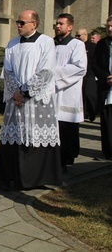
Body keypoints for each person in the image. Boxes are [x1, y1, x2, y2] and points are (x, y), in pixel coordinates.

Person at [0, 10, 62, 190]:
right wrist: (16, 92)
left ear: (34, 24)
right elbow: (8, 71)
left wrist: (25, 92)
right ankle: (10, 176)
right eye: (18, 22)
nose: (18, 25)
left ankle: (36, 178)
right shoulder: (12, 43)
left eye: (22, 22)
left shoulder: (45, 42)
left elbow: (46, 71)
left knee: (36, 136)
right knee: (13, 137)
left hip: (36, 101)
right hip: (16, 100)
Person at [53, 14, 86, 172]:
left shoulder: (76, 45)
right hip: (52, 92)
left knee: (66, 128)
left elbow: (80, 67)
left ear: (70, 27)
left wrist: (54, 75)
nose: (57, 26)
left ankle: (65, 160)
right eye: (57, 23)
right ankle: (54, 159)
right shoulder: (50, 44)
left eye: (61, 24)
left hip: (68, 92)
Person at [93, 15, 112, 160]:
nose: (110, 29)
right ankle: (107, 150)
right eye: (108, 26)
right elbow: (95, 64)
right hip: (106, 86)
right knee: (106, 119)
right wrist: (105, 76)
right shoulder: (102, 44)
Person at [76, 28, 98, 121]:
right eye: (76, 35)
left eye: (79, 35)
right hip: (79, 74)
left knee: (89, 93)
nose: (77, 37)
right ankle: (84, 113)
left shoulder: (92, 46)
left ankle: (93, 112)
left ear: (85, 35)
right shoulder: (76, 45)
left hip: (89, 73)